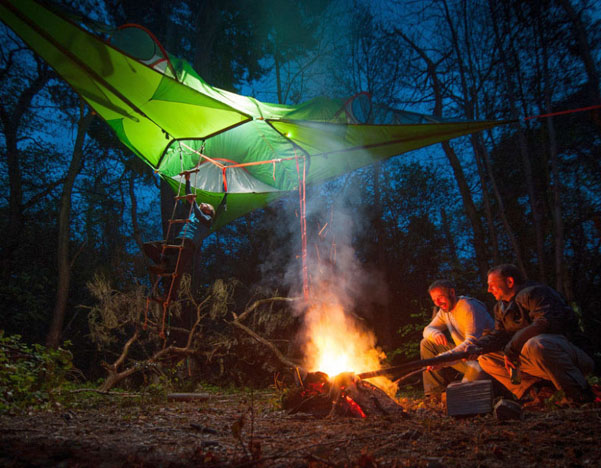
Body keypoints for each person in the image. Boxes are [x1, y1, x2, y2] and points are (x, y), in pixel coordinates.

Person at [469, 264, 595, 404]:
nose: (488, 290)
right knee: (486, 357)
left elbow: (544, 322)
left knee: (537, 344)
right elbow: (499, 335)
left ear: (510, 282)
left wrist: (513, 345)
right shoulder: (500, 308)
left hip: (573, 357)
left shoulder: (537, 293)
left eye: (492, 285)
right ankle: (539, 393)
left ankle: (578, 393)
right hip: (537, 361)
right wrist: (476, 346)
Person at [143, 176, 215, 297]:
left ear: (209, 211)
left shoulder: (208, 220)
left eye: (207, 205)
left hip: (188, 245)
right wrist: (187, 180)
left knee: (176, 272)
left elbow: (198, 213)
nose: (204, 204)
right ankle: (163, 262)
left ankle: (170, 296)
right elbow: (189, 195)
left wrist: (195, 203)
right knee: (150, 247)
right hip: (178, 240)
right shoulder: (194, 213)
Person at [420, 279, 494, 397]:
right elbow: (427, 330)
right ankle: (435, 394)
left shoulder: (469, 306)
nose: (438, 303)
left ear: (452, 293)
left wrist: (442, 359)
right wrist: (435, 333)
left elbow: (471, 342)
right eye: (434, 300)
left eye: (440, 297)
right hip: (464, 358)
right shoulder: (444, 311)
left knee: (462, 396)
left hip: (485, 361)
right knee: (427, 343)